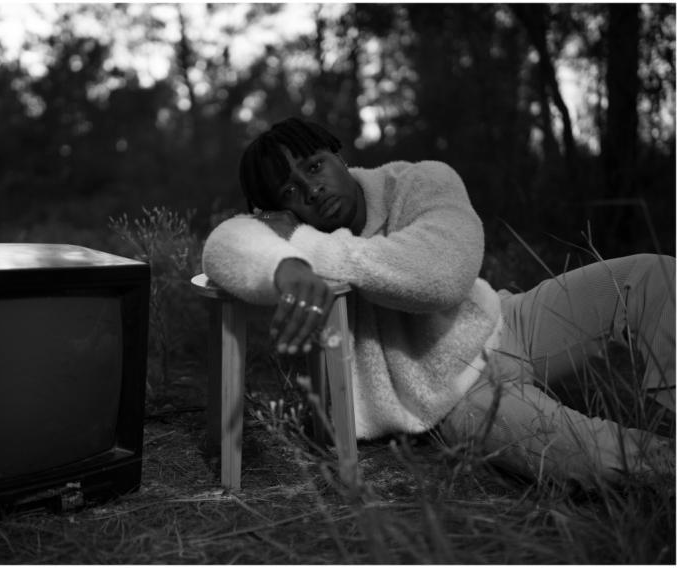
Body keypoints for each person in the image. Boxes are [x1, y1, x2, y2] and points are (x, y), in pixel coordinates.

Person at [202, 116, 675, 488]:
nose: (311, 189)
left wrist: (311, 250)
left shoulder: (419, 181)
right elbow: (225, 243)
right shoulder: (287, 235)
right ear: (278, 208)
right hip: (449, 399)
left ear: (338, 155)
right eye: (290, 191)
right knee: (590, 458)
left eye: (314, 165)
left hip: (508, 323)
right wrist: (285, 269)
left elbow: (442, 276)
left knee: (653, 275)